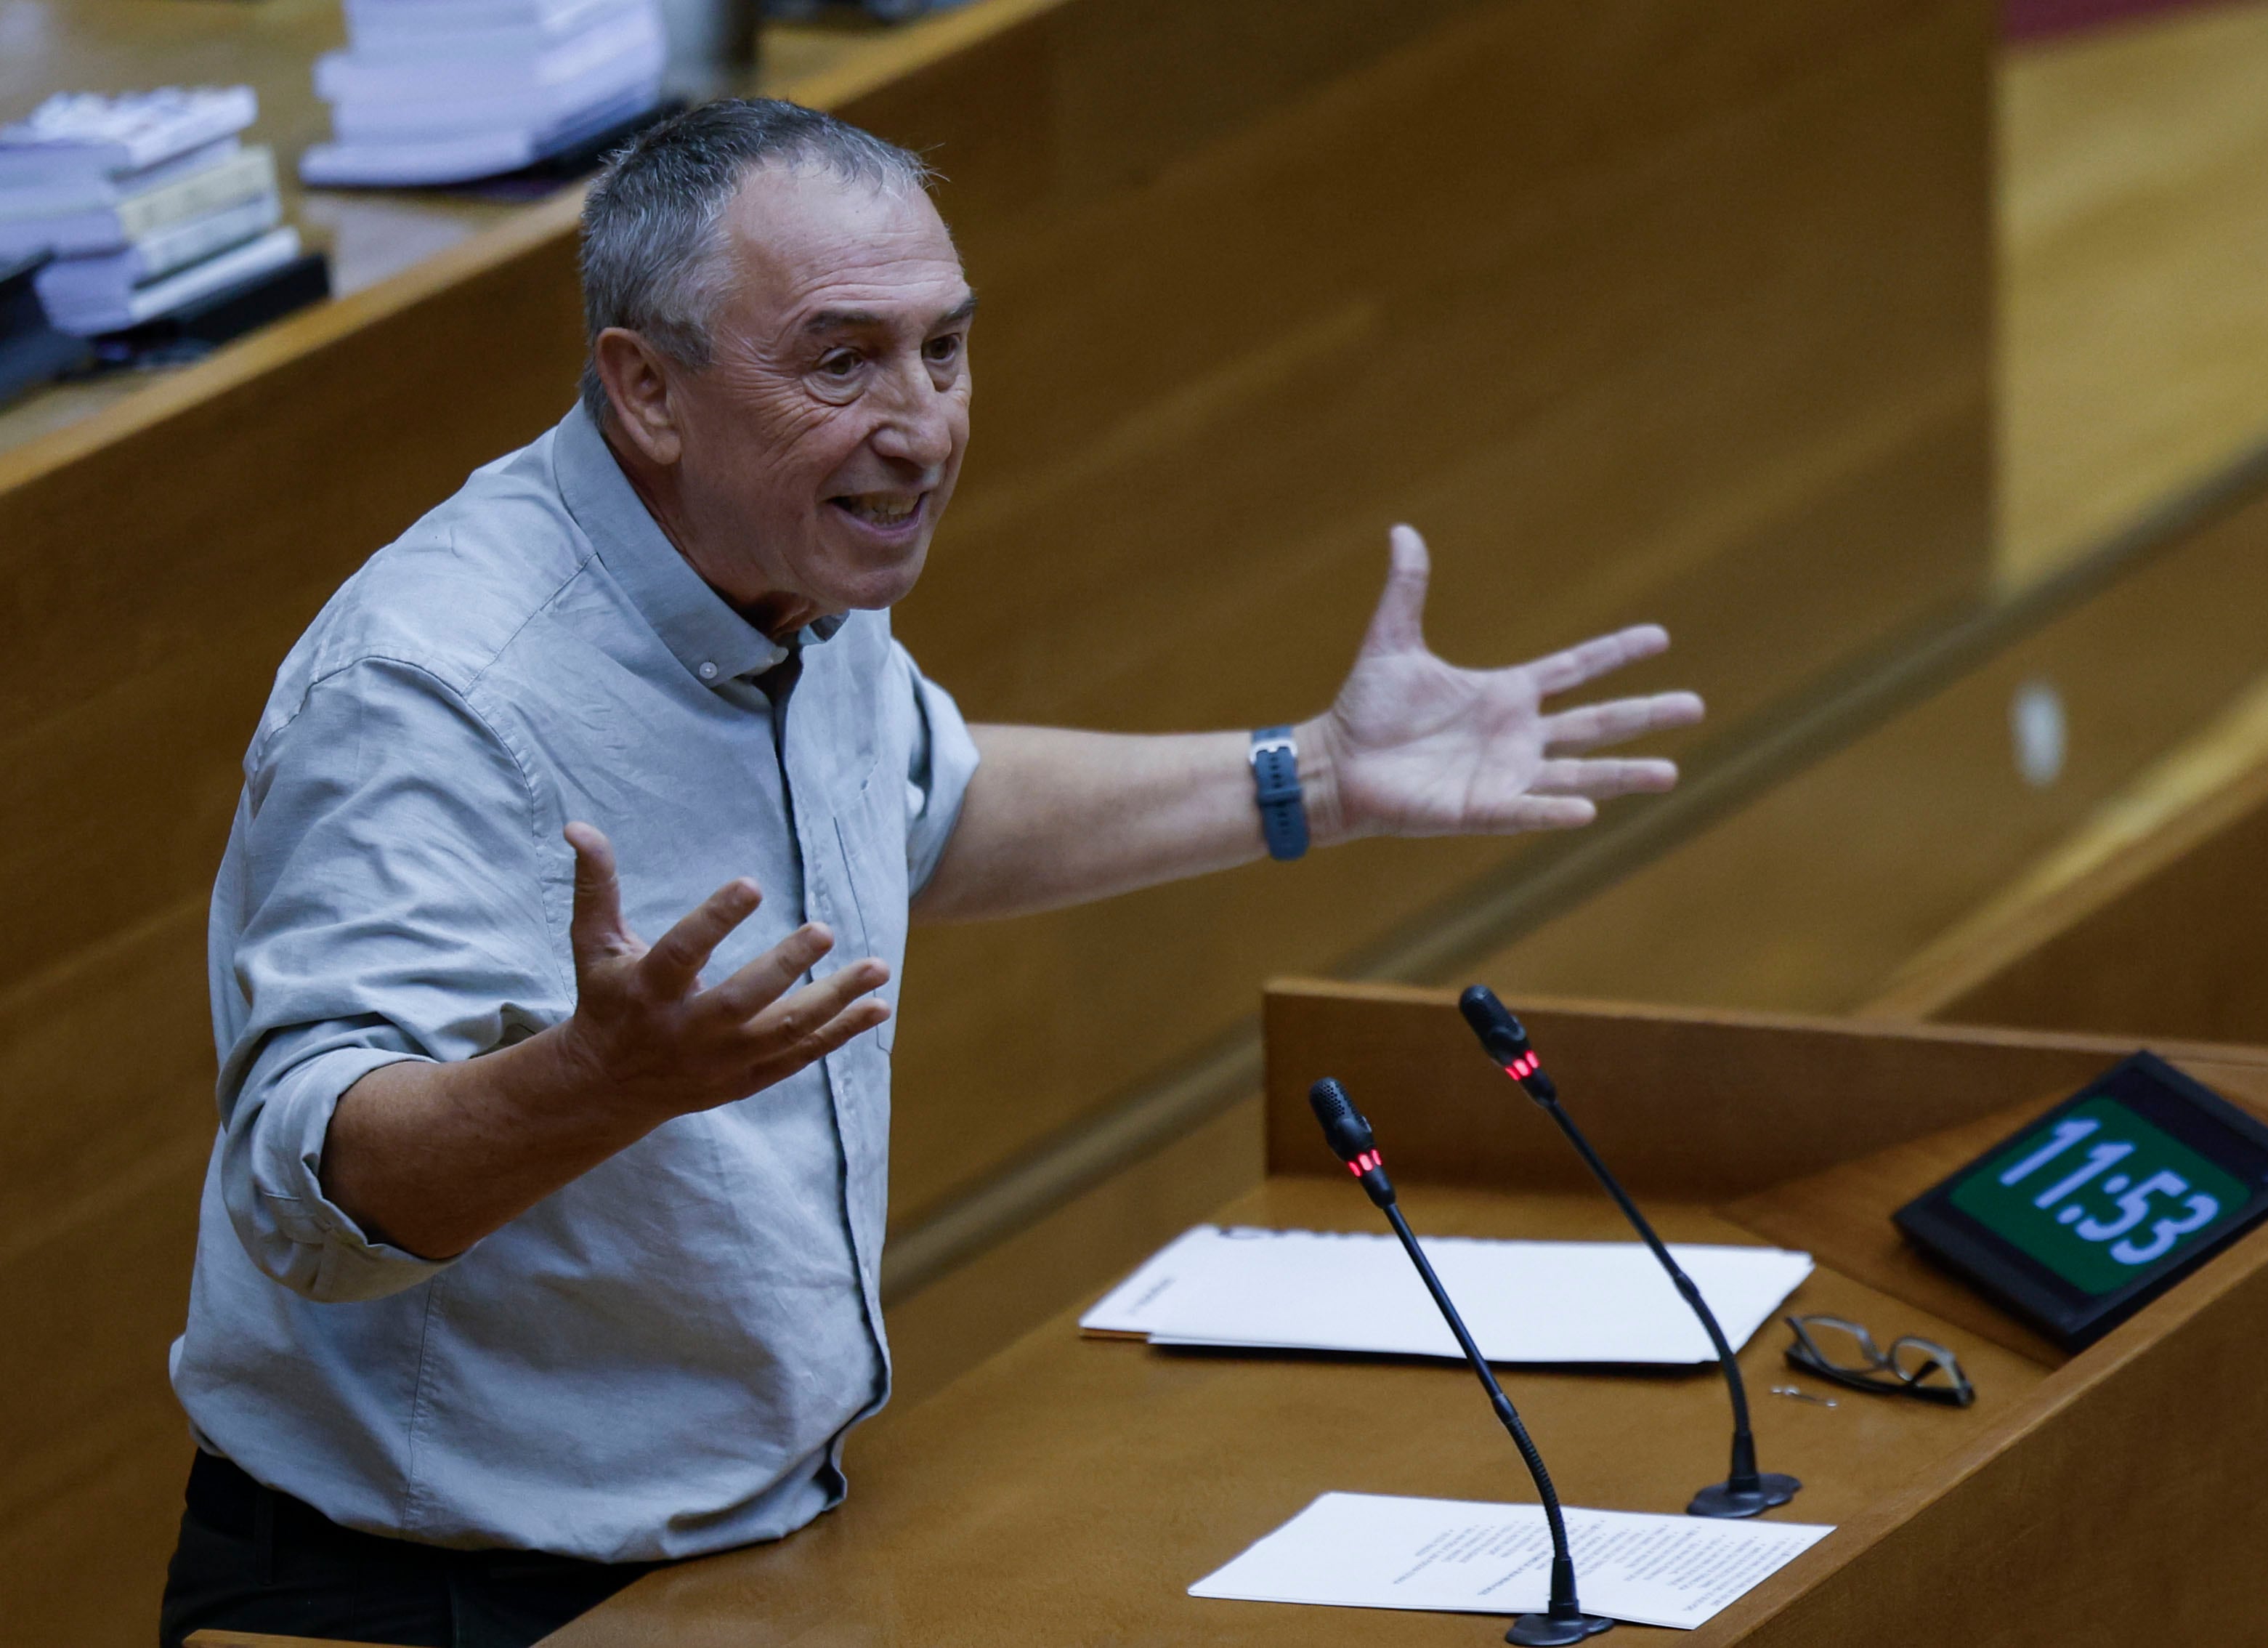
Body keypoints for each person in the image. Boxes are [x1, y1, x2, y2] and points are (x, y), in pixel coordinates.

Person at [159, 99, 1704, 1648]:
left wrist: (1316, 775)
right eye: (842, 362)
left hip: (751, 1550)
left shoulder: (787, 561)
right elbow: (308, 1194)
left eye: (944, 351)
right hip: (424, 1601)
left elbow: (929, 809)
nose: (924, 427)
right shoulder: (436, 692)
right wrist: (599, 1082)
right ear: (647, 389)